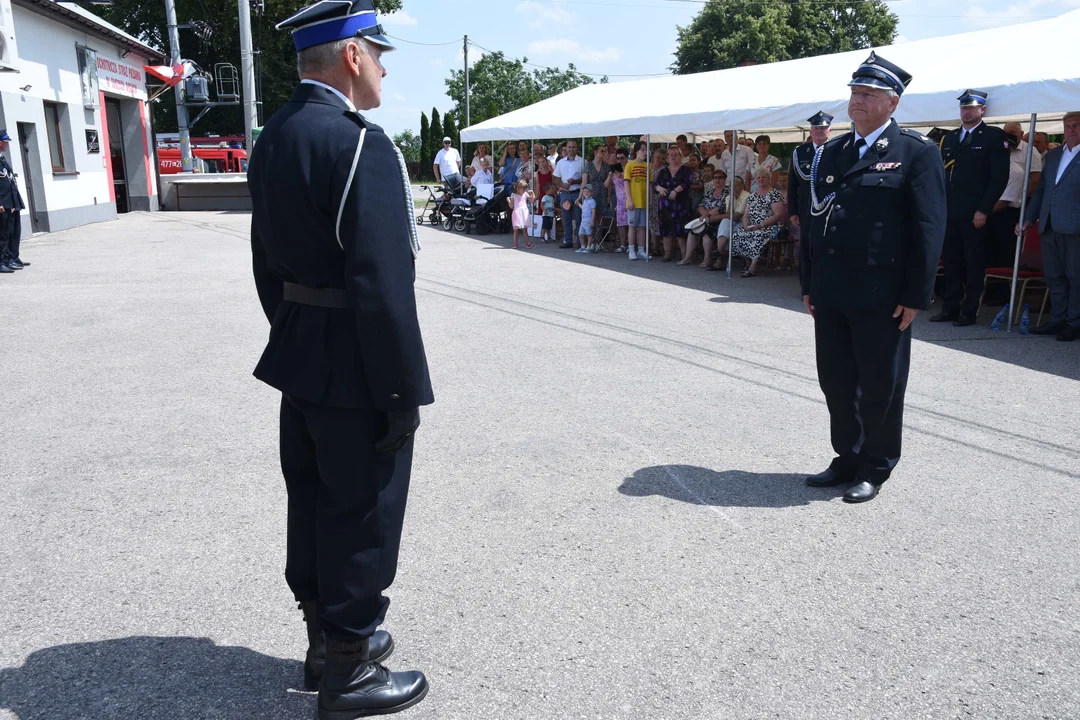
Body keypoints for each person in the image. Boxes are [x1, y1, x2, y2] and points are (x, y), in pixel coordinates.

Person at [248, 0, 432, 715]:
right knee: (363, 508)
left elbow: (267, 263)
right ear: (352, 56)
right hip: (357, 359)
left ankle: (326, 640)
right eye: (379, 53)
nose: (385, 66)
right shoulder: (360, 142)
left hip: (301, 350)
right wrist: (401, 390)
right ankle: (348, 672)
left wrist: (294, 330)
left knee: (315, 497)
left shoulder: (278, 134)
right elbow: (383, 282)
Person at [800, 52, 946, 504]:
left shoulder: (916, 153)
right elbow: (813, 221)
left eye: (867, 94)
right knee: (837, 381)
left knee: (880, 384)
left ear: (893, 103)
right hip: (832, 291)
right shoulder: (833, 151)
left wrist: (916, 295)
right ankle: (846, 456)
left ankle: (876, 466)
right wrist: (808, 284)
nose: (856, 101)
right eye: (854, 93)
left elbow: (928, 227)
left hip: (883, 294)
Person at [930, 89, 1010, 327]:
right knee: (952, 261)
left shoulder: (994, 137)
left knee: (974, 264)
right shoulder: (951, 138)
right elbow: (943, 176)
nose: (967, 112)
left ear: (982, 110)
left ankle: (969, 310)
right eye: (964, 108)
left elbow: (998, 179)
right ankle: (950, 307)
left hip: (976, 213)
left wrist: (984, 209)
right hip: (951, 211)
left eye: (971, 108)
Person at [1018, 111, 1080, 341]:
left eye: (1076, 125)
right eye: (1068, 126)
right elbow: (1043, 190)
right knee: (1054, 276)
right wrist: (1028, 218)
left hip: (1074, 226)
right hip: (1049, 224)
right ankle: (1057, 319)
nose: (1071, 130)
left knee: (1075, 277)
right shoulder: (1054, 157)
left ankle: (1074, 323)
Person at [787, 111, 833, 243]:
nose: (819, 131)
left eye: (823, 128)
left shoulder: (837, 150)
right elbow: (793, 184)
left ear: (830, 130)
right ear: (810, 130)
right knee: (806, 244)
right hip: (805, 206)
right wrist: (792, 212)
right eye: (816, 128)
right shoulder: (800, 152)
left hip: (829, 207)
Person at [729, 167, 785, 276]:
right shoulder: (752, 196)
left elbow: (777, 215)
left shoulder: (774, 194)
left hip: (770, 227)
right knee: (737, 234)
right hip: (753, 226)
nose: (760, 179)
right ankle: (748, 263)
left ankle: (752, 268)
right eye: (758, 177)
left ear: (769, 179)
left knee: (757, 235)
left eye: (763, 177)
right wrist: (746, 226)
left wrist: (760, 225)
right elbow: (745, 215)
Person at [655, 146, 693, 262]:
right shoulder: (663, 171)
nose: (673, 156)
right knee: (666, 230)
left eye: (676, 154)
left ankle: (684, 256)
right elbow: (655, 183)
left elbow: (688, 182)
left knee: (681, 231)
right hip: (665, 204)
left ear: (681, 156)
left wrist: (676, 190)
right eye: (670, 154)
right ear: (667, 157)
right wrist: (659, 188)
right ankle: (667, 255)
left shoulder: (686, 170)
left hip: (681, 204)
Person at [707, 175, 750, 271]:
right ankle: (720, 252)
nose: (734, 188)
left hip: (744, 222)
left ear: (742, 186)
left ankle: (719, 255)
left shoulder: (746, 196)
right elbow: (728, 214)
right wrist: (731, 199)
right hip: (733, 221)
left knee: (730, 229)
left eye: (737, 186)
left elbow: (737, 216)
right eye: (732, 186)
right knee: (725, 221)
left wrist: (719, 217)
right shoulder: (729, 197)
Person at [0, 129, 28, 273]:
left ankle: (11, 257)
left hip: (10, 201)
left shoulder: (2, 159)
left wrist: (13, 202)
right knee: (3, 234)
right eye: (5, 142)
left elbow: (8, 180)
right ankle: (3, 260)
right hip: (2, 203)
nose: (7, 145)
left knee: (12, 232)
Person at [553, 140, 586, 249]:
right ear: (566, 148)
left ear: (577, 148)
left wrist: (575, 181)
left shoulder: (582, 162)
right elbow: (555, 177)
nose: (571, 149)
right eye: (569, 147)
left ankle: (579, 241)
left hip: (577, 193)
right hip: (565, 194)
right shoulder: (561, 162)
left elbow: (586, 178)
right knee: (566, 218)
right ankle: (568, 240)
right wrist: (562, 184)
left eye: (573, 147)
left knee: (579, 219)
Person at [623, 141, 650, 260]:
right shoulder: (630, 165)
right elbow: (626, 184)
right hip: (633, 201)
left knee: (643, 227)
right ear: (637, 151)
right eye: (642, 150)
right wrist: (629, 199)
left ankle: (641, 250)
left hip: (644, 202)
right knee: (632, 227)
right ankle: (631, 249)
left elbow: (650, 184)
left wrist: (649, 199)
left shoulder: (648, 166)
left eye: (646, 150)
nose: (645, 152)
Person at [607, 146, 630, 252]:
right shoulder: (615, 170)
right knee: (621, 223)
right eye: (618, 158)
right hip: (619, 201)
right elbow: (607, 185)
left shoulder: (630, 168)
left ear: (627, 158)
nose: (620, 160)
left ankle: (631, 244)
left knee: (631, 223)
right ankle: (622, 245)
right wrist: (610, 175)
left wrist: (622, 176)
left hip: (630, 199)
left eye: (622, 158)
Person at [508, 179, 535, 249]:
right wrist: (508, 200)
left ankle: (528, 243)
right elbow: (511, 206)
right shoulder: (514, 195)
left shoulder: (525, 194)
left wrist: (532, 193)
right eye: (522, 189)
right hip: (517, 213)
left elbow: (532, 200)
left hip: (524, 213)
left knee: (524, 229)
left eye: (524, 189)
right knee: (516, 229)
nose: (523, 190)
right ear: (517, 188)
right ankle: (515, 243)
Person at [576, 185, 598, 253]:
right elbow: (584, 209)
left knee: (589, 234)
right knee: (580, 234)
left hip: (588, 221)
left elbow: (593, 211)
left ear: (592, 193)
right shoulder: (585, 200)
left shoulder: (592, 201)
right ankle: (583, 246)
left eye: (588, 191)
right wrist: (579, 204)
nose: (586, 193)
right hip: (583, 221)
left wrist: (592, 221)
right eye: (584, 191)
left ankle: (589, 247)